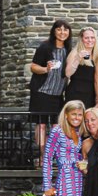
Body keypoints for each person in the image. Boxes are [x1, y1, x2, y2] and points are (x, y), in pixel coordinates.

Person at [28, 20, 72, 151]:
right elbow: (33, 67)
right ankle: (42, 158)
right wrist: (45, 69)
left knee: (56, 127)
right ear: (54, 31)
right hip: (42, 92)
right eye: (59, 29)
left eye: (65, 30)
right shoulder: (45, 47)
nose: (62, 32)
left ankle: (52, 156)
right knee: (41, 125)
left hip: (58, 94)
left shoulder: (69, 50)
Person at [42, 100, 87, 196]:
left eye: (80, 115)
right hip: (65, 177)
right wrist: (47, 186)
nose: (77, 117)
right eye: (73, 114)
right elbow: (47, 158)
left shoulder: (78, 132)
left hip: (78, 177)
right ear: (66, 115)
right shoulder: (57, 131)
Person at [63, 27, 98, 109]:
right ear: (81, 39)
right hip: (76, 94)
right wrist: (78, 58)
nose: (90, 40)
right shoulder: (75, 52)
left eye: (92, 37)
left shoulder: (96, 55)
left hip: (91, 95)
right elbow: (67, 73)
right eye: (86, 38)